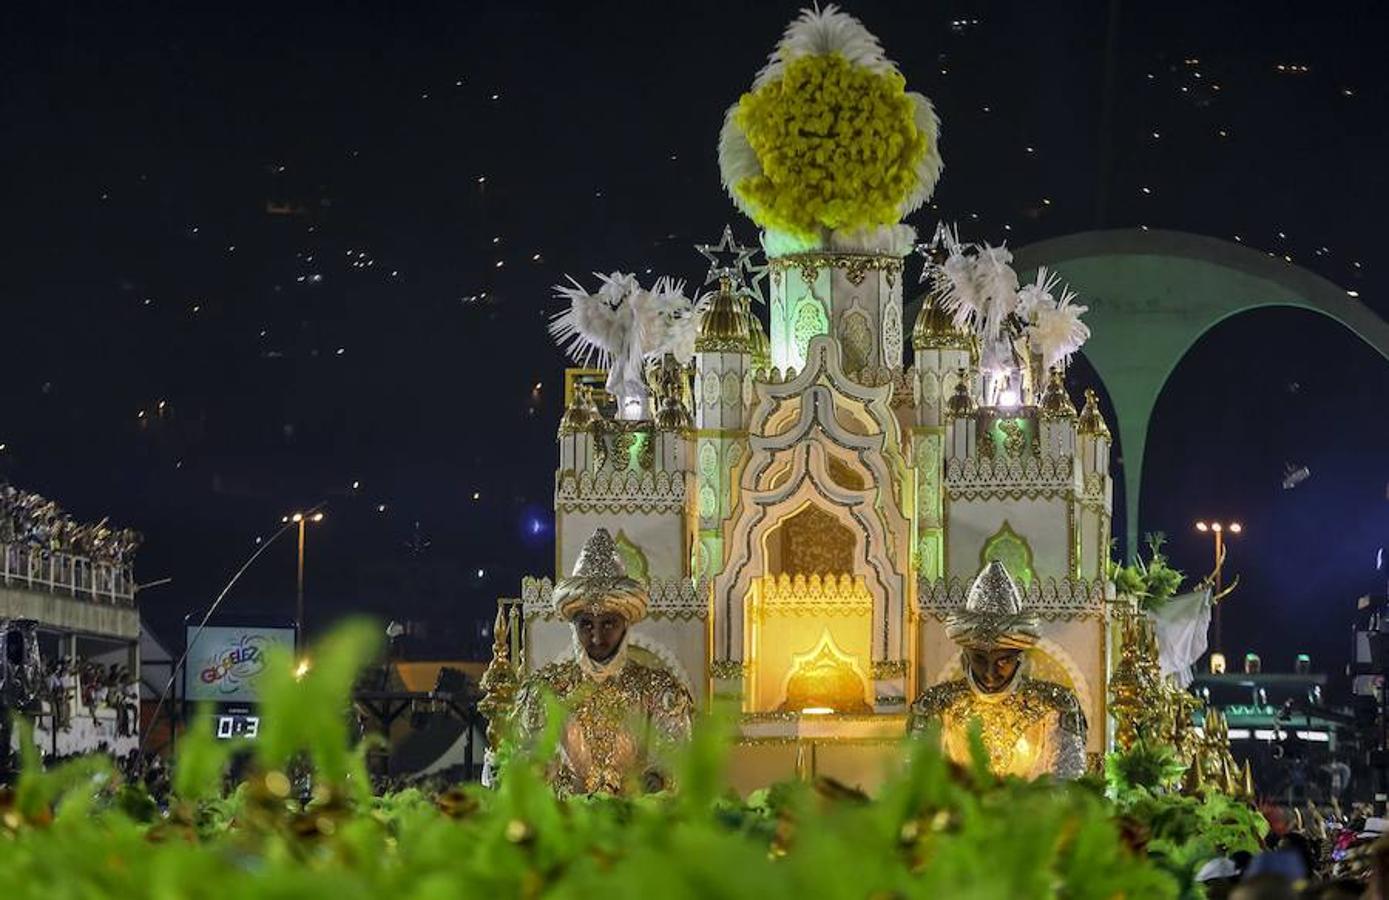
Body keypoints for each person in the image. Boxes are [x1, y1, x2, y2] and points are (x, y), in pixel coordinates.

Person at [512, 527, 693, 796]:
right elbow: (526, 759)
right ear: (574, 627)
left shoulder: (659, 690)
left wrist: (658, 779)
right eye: (586, 624)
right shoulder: (545, 691)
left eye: (608, 623)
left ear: (625, 623)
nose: (597, 637)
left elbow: (677, 759)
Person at [908, 561, 1087, 779]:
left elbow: (1066, 785)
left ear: (1020, 659)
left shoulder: (1055, 705)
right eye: (980, 660)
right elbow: (918, 781)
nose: (990, 673)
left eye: (1003, 661)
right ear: (965, 659)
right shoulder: (935, 706)